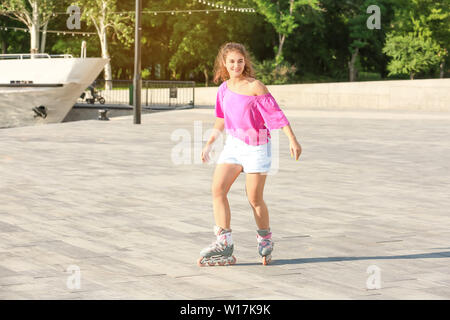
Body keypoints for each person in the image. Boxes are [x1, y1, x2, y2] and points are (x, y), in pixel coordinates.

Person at [197, 42, 302, 267]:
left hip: (257, 147)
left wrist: (292, 139)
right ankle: (224, 242)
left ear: (245, 62)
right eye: (232, 61)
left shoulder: (256, 86)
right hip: (234, 146)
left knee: (254, 198)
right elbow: (221, 119)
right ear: (224, 64)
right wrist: (209, 143)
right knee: (217, 190)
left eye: (240, 61)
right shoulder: (224, 89)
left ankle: (265, 238)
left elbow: (276, 115)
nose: (236, 65)